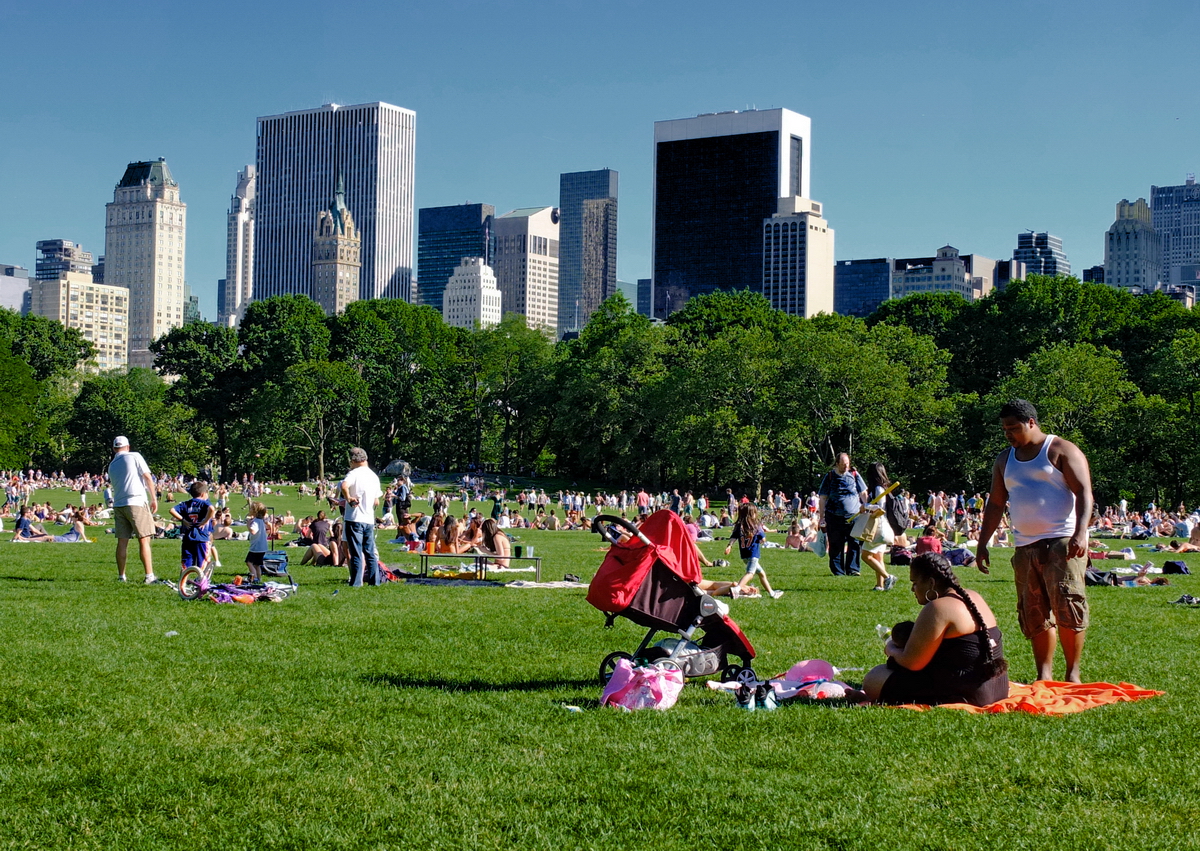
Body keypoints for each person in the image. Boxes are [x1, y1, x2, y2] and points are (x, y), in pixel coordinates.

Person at [976, 399, 1094, 683]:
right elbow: (995, 504)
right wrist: (982, 542)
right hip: (1025, 544)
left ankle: (1072, 673)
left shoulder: (1061, 449)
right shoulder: (1005, 459)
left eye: (1014, 428)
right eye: (1004, 429)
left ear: (1031, 422)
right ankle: (1044, 675)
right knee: (1033, 612)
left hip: (1062, 542)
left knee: (1069, 607)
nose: (1008, 434)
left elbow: (1085, 493)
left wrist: (1080, 532)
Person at [860, 552, 1009, 706]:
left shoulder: (938, 607)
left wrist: (891, 648)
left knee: (875, 677)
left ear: (931, 583)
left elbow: (912, 662)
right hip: (998, 689)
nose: (912, 589)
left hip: (970, 694)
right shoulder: (973, 596)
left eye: (915, 583)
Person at [108, 435, 158, 583]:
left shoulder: (112, 465)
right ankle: (149, 575)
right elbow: (147, 477)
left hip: (119, 503)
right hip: (136, 501)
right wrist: (154, 498)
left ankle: (121, 576)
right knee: (144, 538)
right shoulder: (134, 456)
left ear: (114, 449)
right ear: (128, 447)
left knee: (122, 541)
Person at [817, 452, 868, 577]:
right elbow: (823, 497)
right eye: (843, 465)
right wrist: (821, 517)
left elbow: (863, 492)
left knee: (854, 543)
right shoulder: (829, 476)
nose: (846, 467)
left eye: (847, 464)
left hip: (854, 516)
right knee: (835, 543)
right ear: (837, 464)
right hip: (834, 515)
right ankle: (838, 571)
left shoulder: (854, 475)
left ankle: (853, 569)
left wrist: (867, 506)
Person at [340, 447, 382, 587]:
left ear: (352, 460)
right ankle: (374, 580)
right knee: (370, 552)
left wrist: (349, 498)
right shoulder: (373, 476)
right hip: (368, 519)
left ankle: (356, 582)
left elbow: (344, 486)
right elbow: (377, 500)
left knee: (356, 552)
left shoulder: (354, 473)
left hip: (354, 518)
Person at [723, 502, 783, 599]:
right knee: (750, 573)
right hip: (753, 555)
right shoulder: (756, 526)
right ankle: (737, 589)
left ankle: (772, 593)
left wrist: (729, 546)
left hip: (744, 555)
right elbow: (763, 539)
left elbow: (733, 537)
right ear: (752, 514)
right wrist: (761, 540)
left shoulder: (739, 526)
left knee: (761, 573)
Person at [169, 481, 216, 582]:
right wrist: (205, 521)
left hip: (188, 537)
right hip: (202, 538)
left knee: (186, 562)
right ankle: (202, 581)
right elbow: (212, 509)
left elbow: (171, 510)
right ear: (203, 494)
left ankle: (182, 582)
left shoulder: (186, 504)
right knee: (203, 562)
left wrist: (183, 520)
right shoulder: (204, 503)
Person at [863, 462, 899, 591]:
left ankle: (888, 577)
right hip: (879, 524)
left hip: (878, 525)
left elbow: (880, 507)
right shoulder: (879, 488)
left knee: (865, 555)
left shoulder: (878, 489)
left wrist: (866, 507)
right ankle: (880, 585)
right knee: (878, 556)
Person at [245, 502, 269, 583]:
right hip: (263, 547)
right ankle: (259, 578)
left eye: (251, 508)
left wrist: (248, 525)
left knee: (249, 562)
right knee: (257, 565)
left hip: (256, 547)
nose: (250, 509)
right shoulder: (261, 521)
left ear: (255, 512)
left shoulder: (255, 522)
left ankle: (254, 577)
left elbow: (253, 531)